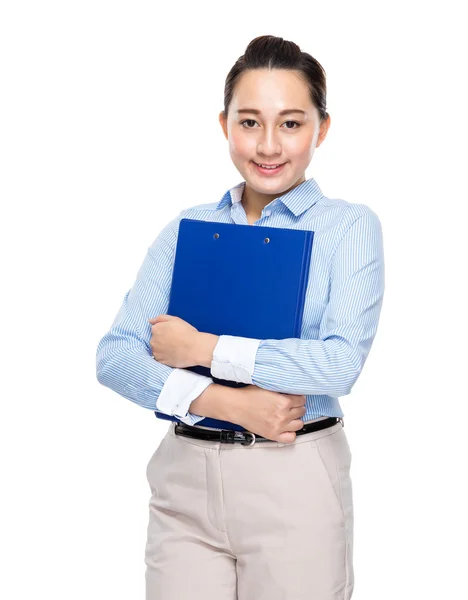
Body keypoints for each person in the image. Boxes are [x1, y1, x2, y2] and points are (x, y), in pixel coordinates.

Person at [96, 34, 385, 600]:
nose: (269, 145)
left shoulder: (348, 228)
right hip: (184, 484)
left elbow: (338, 365)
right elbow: (116, 356)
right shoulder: (189, 227)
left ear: (321, 129)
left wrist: (202, 349)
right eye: (249, 122)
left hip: (292, 480)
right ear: (224, 124)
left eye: (291, 123)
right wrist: (222, 402)